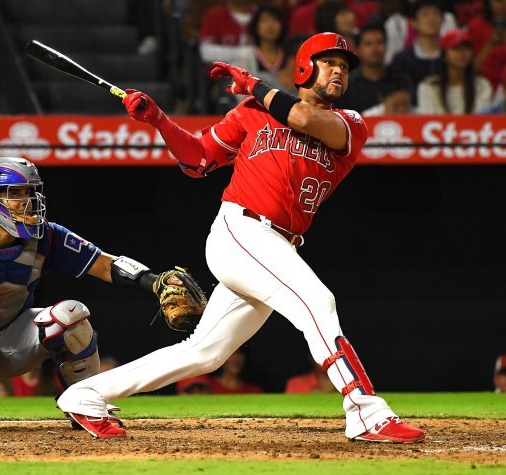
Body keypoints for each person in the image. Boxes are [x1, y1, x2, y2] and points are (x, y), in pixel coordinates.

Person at [58, 31, 425, 444]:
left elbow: (302, 118)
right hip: (241, 230)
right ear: (305, 67)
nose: (339, 71)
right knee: (317, 302)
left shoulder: (351, 124)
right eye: (329, 63)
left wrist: (253, 83)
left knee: (206, 353)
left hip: (276, 246)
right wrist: (158, 119)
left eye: (343, 66)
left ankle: (86, 394)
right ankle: (365, 410)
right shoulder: (252, 112)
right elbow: (197, 161)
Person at [0, 157, 193, 423]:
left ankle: (84, 404)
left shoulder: (46, 237)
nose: (28, 202)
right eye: (15, 193)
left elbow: (103, 264)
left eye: (31, 192)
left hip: (11, 343)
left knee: (72, 316)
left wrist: (154, 281)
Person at [336, 23, 412, 112]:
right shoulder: (346, 84)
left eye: (379, 43)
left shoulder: (401, 80)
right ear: (357, 49)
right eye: (368, 44)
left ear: (386, 46)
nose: (375, 49)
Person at [417, 29, 493, 114]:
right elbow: (428, 120)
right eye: (456, 48)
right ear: (444, 54)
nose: (462, 53)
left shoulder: (482, 85)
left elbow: (481, 119)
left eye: (466, 48)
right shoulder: (428, 86)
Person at [390, 0, 443, 97]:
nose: (431, 19)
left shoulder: (449, 56)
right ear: (414, 22)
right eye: (425, 14)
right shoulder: (402, 60)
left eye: (436, 14)